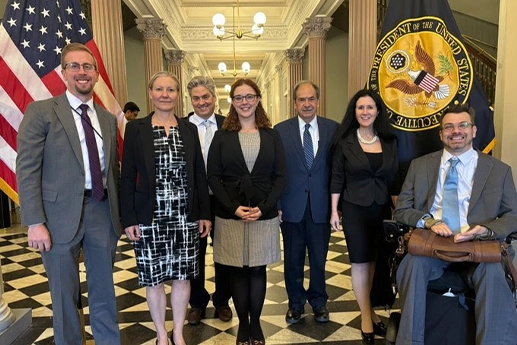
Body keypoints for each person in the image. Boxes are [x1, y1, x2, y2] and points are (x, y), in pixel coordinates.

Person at [16, 43, 121, 345]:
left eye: (87, 66)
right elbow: (27, 169)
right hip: (56, 219)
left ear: (96, 74)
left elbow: (111, 169)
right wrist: (34, 221)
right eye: (73, 66)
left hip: (101, 212)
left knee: (104, 292)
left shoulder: (106, 118)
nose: (81, 72)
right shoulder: (41, 112)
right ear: (63, 73)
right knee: (64, 297)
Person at [393, 103, 517, 345]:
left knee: (493, 272)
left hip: (480, 244)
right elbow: (402, 209)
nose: (456, 131)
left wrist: (487, 230)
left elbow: (513, 215)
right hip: (432, 244)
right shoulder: (420, 166)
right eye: (448, 127)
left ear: (474, 131)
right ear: (441, 134)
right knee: (412, 264)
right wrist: (427, 221)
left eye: (463, 125)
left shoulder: (499, 171)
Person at [120, 71, 211, 345]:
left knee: (183, 278)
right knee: (154, 279)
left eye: (170, 90)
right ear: (150, 93)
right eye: (159, 89)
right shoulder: (136, 129)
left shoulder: (188, 129)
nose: (164, 94)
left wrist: (204, 213)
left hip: (185, 216)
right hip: (150, 216)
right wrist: (129, 218)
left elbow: (199, 174)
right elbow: (127, 176)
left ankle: (178, 332)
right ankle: (161, 334)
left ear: (177, 95)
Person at [207, 78, 287, 345]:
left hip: (263, 214)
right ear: (232, 102)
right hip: (230, 214)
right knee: (238, 271)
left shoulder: (271, 135)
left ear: (258, 99)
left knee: (257, 270)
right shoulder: (222, 136)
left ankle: (257, 325)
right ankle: (243, 326)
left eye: (249, 96)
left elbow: (281, 176)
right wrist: (234, 208)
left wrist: (264, 208)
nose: (244, 102)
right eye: (239, 97)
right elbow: (213, 177)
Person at [330, 89, 399, 344]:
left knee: (374, 263)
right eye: (361, 108)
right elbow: (337, 177)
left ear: (378, 111)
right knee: (359, 262)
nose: (365, 112)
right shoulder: (344, 140)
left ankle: (368, 309)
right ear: (354, 111)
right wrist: (333, 211)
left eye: (370, 107)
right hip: (354, 209)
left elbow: (393, 180)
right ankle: (366, 318)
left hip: (381, 209)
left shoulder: (390, 141)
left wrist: (398, 212)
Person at [274, 81, 338, 324]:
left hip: (321, 206)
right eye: (302, 99)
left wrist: (336, 207)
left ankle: (319, 302)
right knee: (293, 259)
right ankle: (295, 304)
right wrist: (278, 204)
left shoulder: (334, 129)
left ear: (318, 101)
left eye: (311, 99)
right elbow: (276, 172)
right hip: (291, 207)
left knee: (319, 259)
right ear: (295, 103)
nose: (307, 104)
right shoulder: (280, 131)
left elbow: (337, 170)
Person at [185, 75, 233, 324]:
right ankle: (197, 302)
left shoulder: (228, 126)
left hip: (222, 201)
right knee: (195, 254)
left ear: (214, 98)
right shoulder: (181, 126)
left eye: (206, 97)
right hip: (192, 203)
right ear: (190, 100)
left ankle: (223, 300)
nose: (202, 102)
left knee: (224, 253)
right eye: (196, 98)